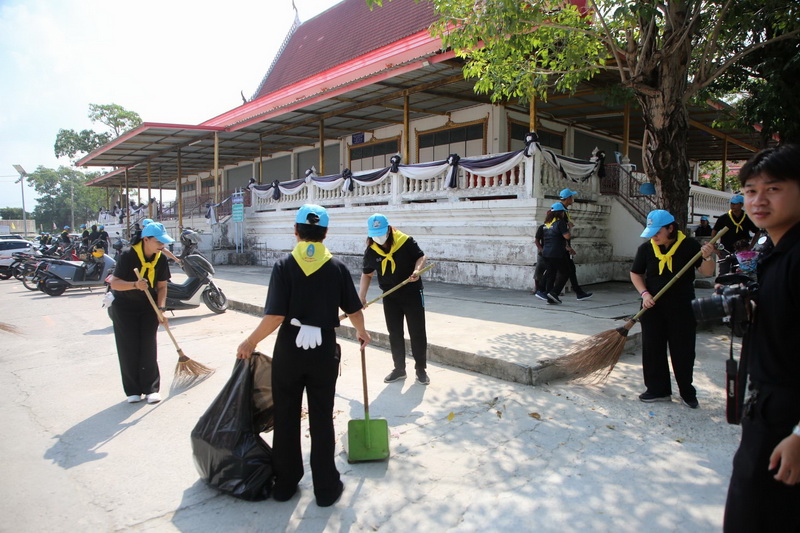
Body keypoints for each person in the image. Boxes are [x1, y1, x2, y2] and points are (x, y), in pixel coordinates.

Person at [236, 204, 369, 507]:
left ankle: (285, 484)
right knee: (321, 417)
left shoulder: (284, 265)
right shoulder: (336, 267)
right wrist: (362, 332)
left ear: (295, 231)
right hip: (323, 350)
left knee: (286, 415)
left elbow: (275, 316)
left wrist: (250, 341)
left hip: (289, 350)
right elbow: (354, 310)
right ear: (325, 233)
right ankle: (326, 488)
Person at [723, 144, 800, 532]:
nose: (758, 200)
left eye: (773, 189)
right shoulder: (773, 250)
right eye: (751, 191)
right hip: (765, 408)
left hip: (788, 418)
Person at [630, 210, 716, 408]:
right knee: (653, 349)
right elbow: (636, 273)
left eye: (657, 232)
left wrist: (707, 257)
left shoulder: (689, 245)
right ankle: (658, 390)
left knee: (683, 351)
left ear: (670, 228)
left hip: (682, 308)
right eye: (651, 232)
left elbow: (706, 272)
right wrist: (645, 294)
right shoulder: (646, 249)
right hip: (652, 307)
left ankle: (687, 392)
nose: (654, 236)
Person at [359, 213, 429, 384]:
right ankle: (399, 369)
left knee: (417, 331)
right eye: (375, 235)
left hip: (412, 293)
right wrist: (362, 296)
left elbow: (421, 257)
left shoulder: (405, 241)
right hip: (390, 296)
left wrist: (417, 270)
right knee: (395, 333)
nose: (379, 238)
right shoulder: (371, 250)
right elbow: (367, 274)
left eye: (381, 234)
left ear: (389, 230)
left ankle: (420, 369)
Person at [108, 222, 174, 404]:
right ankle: (133, 390)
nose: (162, 245)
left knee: (148, 346)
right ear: (146, 239)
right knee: (128, 348)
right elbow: (115, 283)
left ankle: (151, 388)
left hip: (148, 306)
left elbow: (162, 287)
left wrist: (161, 309)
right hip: (124, 307)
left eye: (163, 242)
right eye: (158, 242)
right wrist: (135, 285)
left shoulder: (160, 259)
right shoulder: (128, 255)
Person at [557, 189, 593, 300]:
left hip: (564, 245)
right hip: (561, 246)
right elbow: (558, 231)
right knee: (565, 270)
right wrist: (566, 246)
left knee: (570, 269)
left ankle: (578, 292)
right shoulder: (560, 210)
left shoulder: (564, 210)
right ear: (568, 198)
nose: (573, 199)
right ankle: (552, 292)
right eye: (571, 197)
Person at [712, 194, 759, 274]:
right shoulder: (724, 218)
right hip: (725, 250)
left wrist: (751, 246)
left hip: (742, 251)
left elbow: (757, 232)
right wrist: (715, 247)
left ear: (741, 204)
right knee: (723, 272)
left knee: (741, 273)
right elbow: (714, 231)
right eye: (731, 203)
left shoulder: (747, 218)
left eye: (735, 204)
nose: (732, 205)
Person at [541, 203, 572, 304]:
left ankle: (550, 298)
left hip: (546, 253)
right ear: (560, 212)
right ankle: (554, 293)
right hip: (557, 252)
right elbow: (567, 236)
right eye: (563, 212)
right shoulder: (560, 222)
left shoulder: (546, 224)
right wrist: (569, 228)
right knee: (566, 272)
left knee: (551, 275)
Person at [532, 219, 548, 300]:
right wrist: (541, 249)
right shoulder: (542, 227)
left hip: (552, 252)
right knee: (539, 270)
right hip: (543, 252)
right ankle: (537, 288)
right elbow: (537, 240)